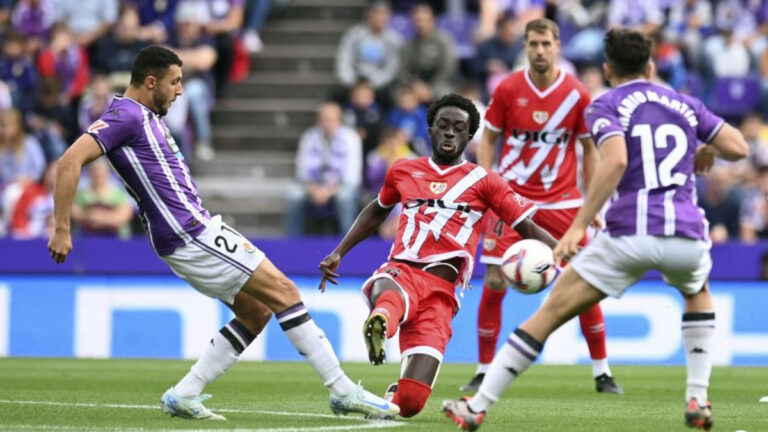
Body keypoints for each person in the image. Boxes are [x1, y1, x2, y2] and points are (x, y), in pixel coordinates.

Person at [47, 45, 399, 421]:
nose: (180, 90)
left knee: (258, 309)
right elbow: (69, 160)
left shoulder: (143, 115)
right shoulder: (126, 116)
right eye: (174, 81)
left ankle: (185, 394)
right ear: (150, 83)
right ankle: (342, 390)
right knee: (285, 292)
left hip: (190, 231)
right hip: (189, 233)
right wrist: (62, 228)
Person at [442, 28, 749, 431]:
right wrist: (705, 148)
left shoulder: (605, 103)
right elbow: (739, 148)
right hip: (687, 236)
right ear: (651, 66)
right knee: (697, 292)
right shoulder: (684, 103)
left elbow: (615, 161)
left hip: (630, 233)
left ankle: (477, 406)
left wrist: (580, 224)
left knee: (549, 312)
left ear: (607, 69)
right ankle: (697, 398)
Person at [318, 93, 559, 419]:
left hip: (441, 295)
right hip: (402, 269)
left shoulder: (485, 182)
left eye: (458, 128)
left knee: (410, 405)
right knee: (389, 296)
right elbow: (376, 211)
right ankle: (382, 323)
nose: (449, 133)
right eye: (443, 126)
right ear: (429, 129)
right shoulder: (403, 170)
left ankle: (389, 392)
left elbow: (526, 227)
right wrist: (338, 252)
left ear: (469, 136)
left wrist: (568, 256)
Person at [461, 18, 622, 395]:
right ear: (525, 46)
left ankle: (602, 371)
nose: (539, 51)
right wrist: (486, 185)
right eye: (533, 44)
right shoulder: (508, 88)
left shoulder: (577, 94)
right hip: (511, 200)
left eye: (545, 44)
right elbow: (489, 140)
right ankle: (485, 368)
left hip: (564, 202)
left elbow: (588, 149)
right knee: (496, 281)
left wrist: (591, 200)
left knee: (584, 281)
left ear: (557, 45)